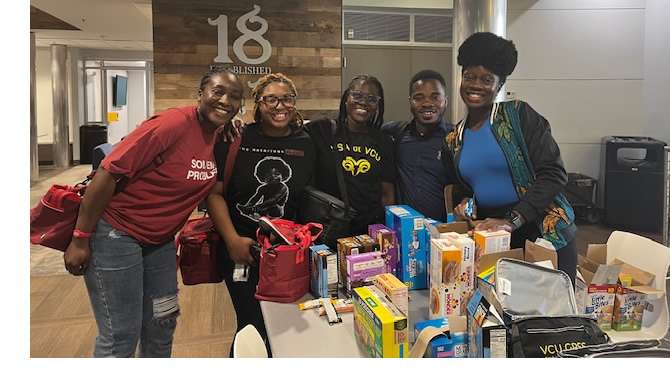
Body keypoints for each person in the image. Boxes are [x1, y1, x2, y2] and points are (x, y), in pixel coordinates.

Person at [62, 66, 245, 357]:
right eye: (217, 91)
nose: (225, 101)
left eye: (234, 97)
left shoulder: (220, 134)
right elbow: (107, 172)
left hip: (159, 241)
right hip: (117, 233)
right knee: (121, 335)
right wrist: (81, 237)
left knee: (162, 324)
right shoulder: (172, 123)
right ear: (201, 94)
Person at [442, 32, 578, 285]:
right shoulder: (454, 138)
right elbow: (465, 186)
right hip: (494, 238)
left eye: (486, 79)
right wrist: (464, 202)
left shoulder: (519, 116)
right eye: (469, 76)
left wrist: (512, 220)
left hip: (541, 232)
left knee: (550, 315)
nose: (475, 85)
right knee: (499, 315)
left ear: (499, 86)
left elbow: (553, 173)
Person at [206, 72, 316, 356]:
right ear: (258, 103)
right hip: (242, 249)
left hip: (287, 254)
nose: (280, 106)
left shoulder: (307, 143)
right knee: (251, 323)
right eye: (271, 99)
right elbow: (214, 194)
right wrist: (232, 241)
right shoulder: (234, 138)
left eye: (287, 99)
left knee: (284, 325)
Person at [305, 74, 396, 237]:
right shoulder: (323, 130)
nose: (363, 102)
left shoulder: (383, 140)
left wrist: (390, 232)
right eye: (357, 95)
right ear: (346, 98)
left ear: (377, 105)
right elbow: (291, 133)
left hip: (370, 231)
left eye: (371, 98)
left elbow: (387, 194)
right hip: (330, 228)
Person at [382, 70, 453, 221]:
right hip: (404, 230)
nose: (427, 103)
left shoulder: (456, 137)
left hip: (444, 233)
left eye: (435, 97)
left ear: (445, 100)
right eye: (419, 98)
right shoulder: (397, 132)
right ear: (410, 101)